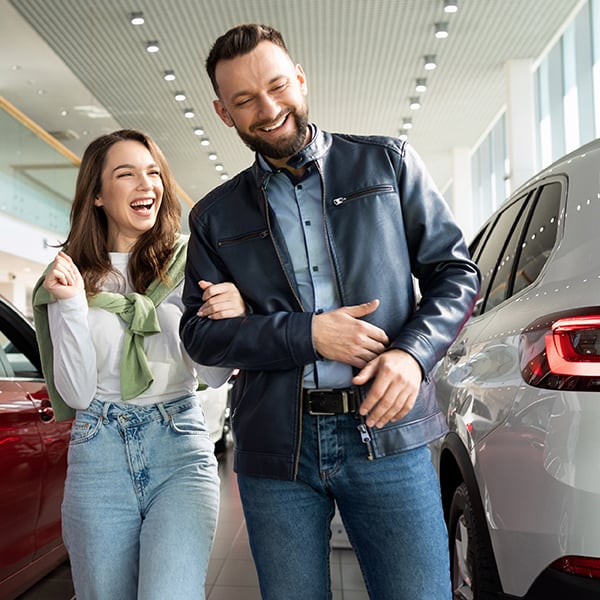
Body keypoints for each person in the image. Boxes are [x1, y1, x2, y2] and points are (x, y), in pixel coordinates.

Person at [180, 24, 481, 600]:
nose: (267, 110)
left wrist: (411, 357)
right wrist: (308, 334)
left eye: (276, 86)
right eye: (244, 101)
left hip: (389, 432)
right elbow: (200, 336)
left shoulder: (386, 165)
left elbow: (456, 273)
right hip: (275, 449)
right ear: (224, 113)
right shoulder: (215, 217)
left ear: (300, 78)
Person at [32, 129, 245, 600]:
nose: (145, 184)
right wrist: (69, 305)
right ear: (97, 196)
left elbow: (211, 375)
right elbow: (78, 394)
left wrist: (230, 318)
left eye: (153, 173)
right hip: (98, 450)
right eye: (126, 175)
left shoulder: (191, 262)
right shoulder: (70, 277)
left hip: (179, 446)